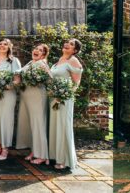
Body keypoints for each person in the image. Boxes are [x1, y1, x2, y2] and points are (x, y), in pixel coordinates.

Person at [49, 39, 84, 170]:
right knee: (55, 126)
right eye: (67, 43)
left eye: (71, 44)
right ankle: (56, 156)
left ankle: (64, 159)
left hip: (64, 99)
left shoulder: (73, 60)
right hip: (53, 98)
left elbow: (76, 83)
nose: (67, 45)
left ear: (74, 50)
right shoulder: (59, 60)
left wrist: (63, 95)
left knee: (63, 126)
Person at [16, 44, 51, 165]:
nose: (36, 51)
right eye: (36, 49)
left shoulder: (42, 64)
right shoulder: (31, 62)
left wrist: (38, 80)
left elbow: (50, 78)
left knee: (38, 124)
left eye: (40, 50)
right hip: (26, 95)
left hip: (37, 96)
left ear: (43, 54)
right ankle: (34, 151)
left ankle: (42, 155)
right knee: (30, 124)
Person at [0, 38, 22, 161]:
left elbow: (17, 79)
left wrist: (7, 86)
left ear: (9, 47)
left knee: (6, 120)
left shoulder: (14, 61)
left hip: (8, 93)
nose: (2, 46)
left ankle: (5, 148)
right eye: (0, 44)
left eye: (5, 44)